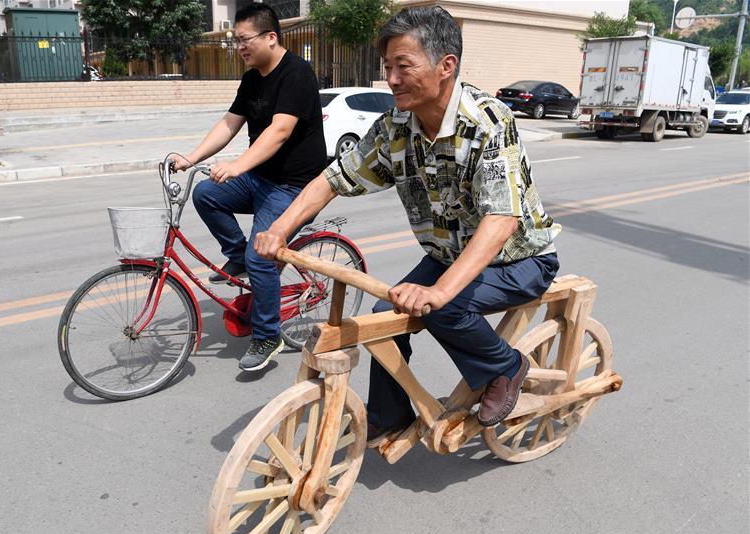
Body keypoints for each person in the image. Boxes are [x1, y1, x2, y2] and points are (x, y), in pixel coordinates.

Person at [254, 6, 561, 441]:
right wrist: (281, 228)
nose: (392, 79)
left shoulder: (488, 122)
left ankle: (507, 367)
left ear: (445, 65)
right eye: (387, 68)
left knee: (445, 306)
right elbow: (332, 179)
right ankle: (391, 413)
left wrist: (438, 291)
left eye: (404, 66)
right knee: (384, 316)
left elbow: (501, 220)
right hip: (449, 254)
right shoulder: (395, 126)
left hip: (520, 258)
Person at [172, 3, 326, 372]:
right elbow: (229, 124)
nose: (238, 46)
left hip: (295, 186)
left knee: (263, 255)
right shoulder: (252, 78)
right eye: (235, 40)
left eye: (244, 39)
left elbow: (279, 131)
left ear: (270, 37)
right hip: (262, 179)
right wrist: (191, 158)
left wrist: (238, 165)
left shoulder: (297, 74)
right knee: (206, 194)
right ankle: (237, 254)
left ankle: (267, 335)